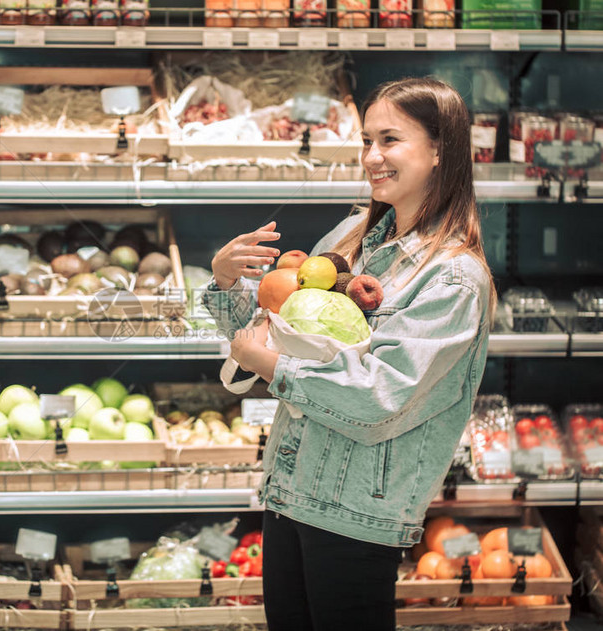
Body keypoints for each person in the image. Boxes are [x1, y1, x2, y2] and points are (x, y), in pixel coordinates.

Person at [202, 77, 497, 631]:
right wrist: (226, 287)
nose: (371, 157)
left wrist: (273, 367)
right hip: (291, 491)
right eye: (366, 140)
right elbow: (280, 337)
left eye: (390, 140)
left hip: (358, 511)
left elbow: (378, 395)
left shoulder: (452, 278)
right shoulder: (348, 241)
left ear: (440, 151)